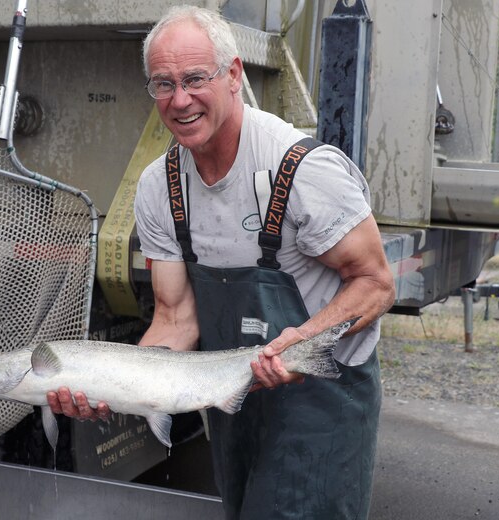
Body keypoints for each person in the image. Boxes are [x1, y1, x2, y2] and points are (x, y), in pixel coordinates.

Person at [47, 5, 395, 519]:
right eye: (163, 84)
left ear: (233, 75)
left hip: (321, 401)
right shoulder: (158, 187)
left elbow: (376, 283)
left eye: (194, 79)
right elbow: (175, 318)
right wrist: (111, 389)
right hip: (229, 396)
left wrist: (301, 342)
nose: (180, 100)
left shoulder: (301, 170)